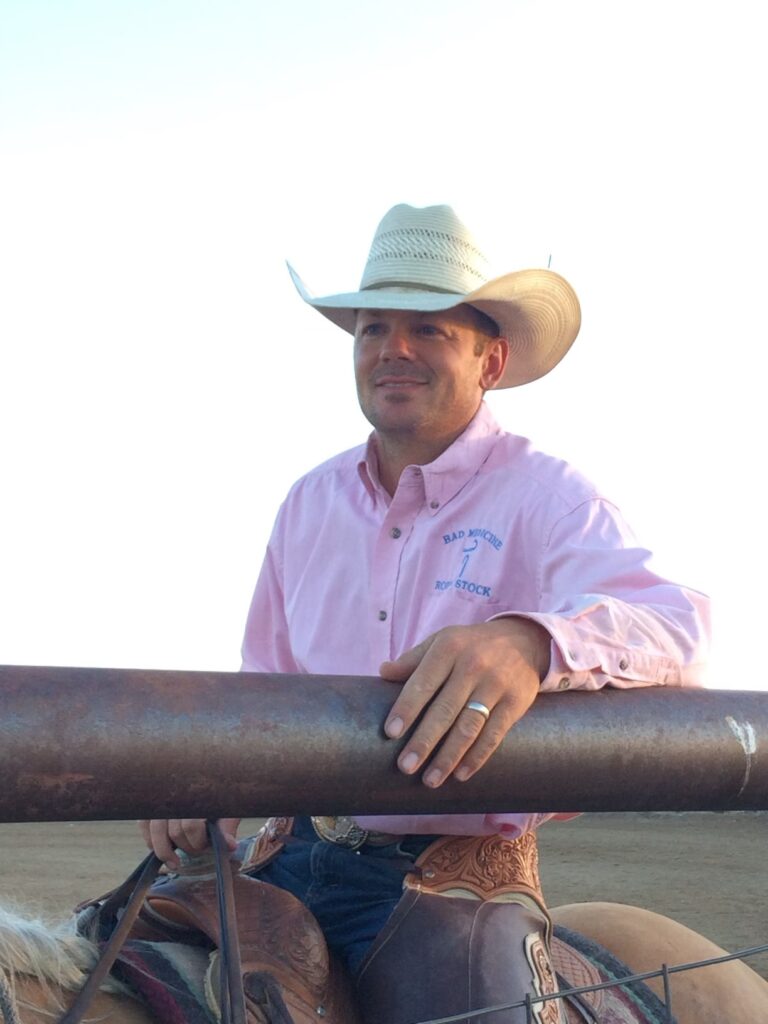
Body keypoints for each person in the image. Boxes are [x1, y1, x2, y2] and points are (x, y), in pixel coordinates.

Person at [140, 204, 710, 1022]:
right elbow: (265, 683)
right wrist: (203, 774)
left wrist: (529, 642)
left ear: (492, 357)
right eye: (372, 328)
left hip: (453, 871)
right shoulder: (308, 503)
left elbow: (676, 623)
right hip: (292, 850)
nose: (391, 349)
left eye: (430, 329)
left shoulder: (547, 495)